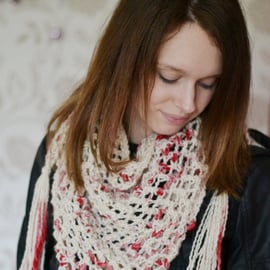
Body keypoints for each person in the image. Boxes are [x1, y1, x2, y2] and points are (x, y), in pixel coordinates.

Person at [17, 0, 270, 269]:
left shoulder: (247, 174)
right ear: (125, 59)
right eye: (169, 77)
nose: (188, 103)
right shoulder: (60, 152)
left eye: (208, 84)